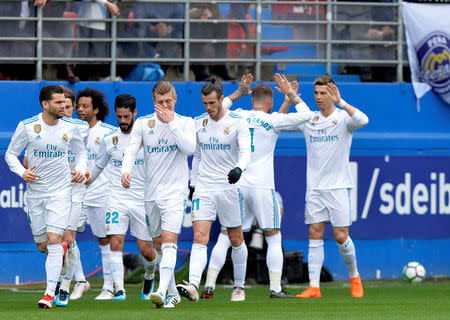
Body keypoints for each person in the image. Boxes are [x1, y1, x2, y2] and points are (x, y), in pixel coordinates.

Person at [200, 73, 314, 299]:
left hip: (237, 183)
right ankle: (274, 288)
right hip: (262, 186)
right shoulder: (273, 121)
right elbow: (308, 116)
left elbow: (217, 106)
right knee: (273, 236)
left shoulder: (238, 116)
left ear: (252, 100)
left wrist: (239, 92)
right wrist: (290, 95)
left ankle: (210, 284)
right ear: (269, 103)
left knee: (225, 235)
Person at [5, 85, 88, 308]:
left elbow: (81, 153)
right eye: (59, 102)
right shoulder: (28, 126)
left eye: (65, 102)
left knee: (53, 240)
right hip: (36, 195)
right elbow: (11, 155)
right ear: (45, 104)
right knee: (43, 246)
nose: (64, 106)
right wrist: (23, 172)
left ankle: (50, 294)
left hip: (61, 192)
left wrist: (80, 169)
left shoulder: (71, 127)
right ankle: (60, 251)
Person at [121, 81, 196, 309]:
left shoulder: (185, 122)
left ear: (175, 100)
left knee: (170, 241)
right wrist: (126, 169)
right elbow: (132, 148)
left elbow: (190, 149)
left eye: (168, 102)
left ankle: (161, 291)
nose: (164, 106)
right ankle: (172, 293)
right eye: (160, 102)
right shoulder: (144, 123)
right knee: (159, 244)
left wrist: (171, 123)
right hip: (150, 193)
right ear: (154, 102)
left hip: (174, 193)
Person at [176, 77, 252, 302]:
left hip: (229, 186)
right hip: (205, 187)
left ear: (221, 99)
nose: (208, 108)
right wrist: (193, 183)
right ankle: (193, 285)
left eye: (212, 103)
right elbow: (197, 156)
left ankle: (239, 286)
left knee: (236, 238)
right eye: (204, 103)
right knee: (200, 236)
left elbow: (246, 151)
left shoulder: (238, 122)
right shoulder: (199, 123)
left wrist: (239, 168)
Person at [295, 76, 368, 298]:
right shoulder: (309, 119)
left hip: (338, 187)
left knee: (340, 236)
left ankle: (354, 276)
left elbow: (364, 120)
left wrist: (341, 101)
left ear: (332, 93)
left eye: (322, 93)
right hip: (315, 188)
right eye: (316, 93)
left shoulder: (343, 119)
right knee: (314, 233)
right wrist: (291, 95)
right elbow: (290, 114)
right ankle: (314, 287)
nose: (318, 97)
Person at [89, 94, 157, 301]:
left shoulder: (147, 138)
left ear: (135, 113)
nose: (123, 121)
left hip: (141, 200)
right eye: (119, 117)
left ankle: (149, 274)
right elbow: (98, 166)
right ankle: (119, 290)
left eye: (126, 116)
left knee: (146, 251)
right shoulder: (110, 140)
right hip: (116, 198)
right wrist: (86, 179)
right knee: (115, 242)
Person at [76, 88, 117, 300]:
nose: (80, 110)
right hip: (77, 193)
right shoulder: (72, 131)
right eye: (78, 106)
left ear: (96, 109)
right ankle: (80, 280)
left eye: (85, 106)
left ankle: (109, 287)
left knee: (105, 240)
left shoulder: (108, 133)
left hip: (102, 193)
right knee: (66, 234)